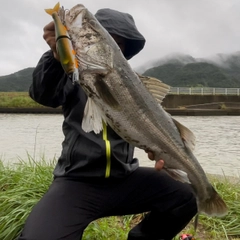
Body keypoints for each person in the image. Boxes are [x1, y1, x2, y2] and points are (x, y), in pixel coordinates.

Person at [18, 7, 197, 240]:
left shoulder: (135, 88)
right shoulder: (73, 76)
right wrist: (54, 55)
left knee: (188, 195)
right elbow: (43, 94)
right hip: (76, 182)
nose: (114, 46)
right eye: (108, 38)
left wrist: (162, 152)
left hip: (127, 179)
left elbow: (155, 128)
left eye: (120, 44)